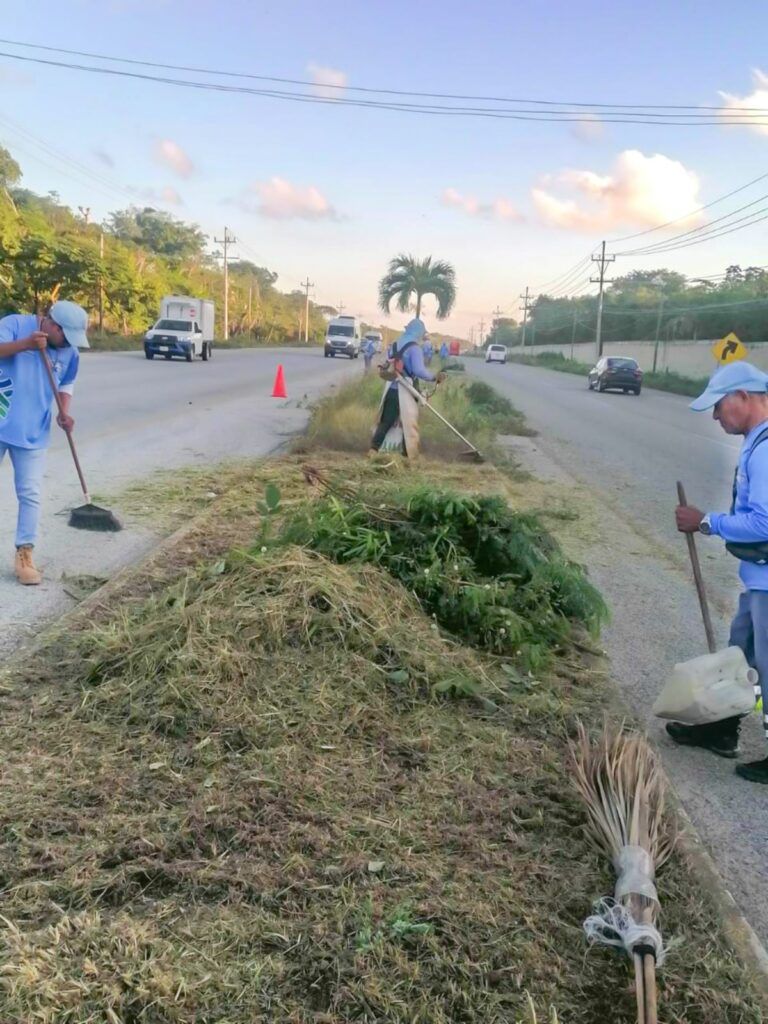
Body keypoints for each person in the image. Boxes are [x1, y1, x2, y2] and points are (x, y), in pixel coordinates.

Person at [671, 361, 768, 783]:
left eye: (718, 406)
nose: (715, 416)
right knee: (740, 652)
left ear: (744, 397)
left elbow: (765, 522)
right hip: (758, 578)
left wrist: (706, 521)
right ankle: (722, 728)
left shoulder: (766, 448)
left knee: (764, 662)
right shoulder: (756, 440)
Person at [0, 300, 89, 585]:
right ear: (51, 324)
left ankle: (25, 552)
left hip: (33, 431)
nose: (68, 343)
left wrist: (65, 411)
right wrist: (25, 344)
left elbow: (66, 384)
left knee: (30, 493)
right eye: (65, 335)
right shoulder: (15, 325)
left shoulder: (70, 351)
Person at [369, 318, 445, 458]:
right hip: (406, 389)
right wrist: (434, 377)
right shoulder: (415, 348)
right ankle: (408, 456)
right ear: (419, 332)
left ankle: (373, 450)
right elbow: (418, 371)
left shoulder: (395, 344)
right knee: (408, 423)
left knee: (386, 422)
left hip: (391, 387)